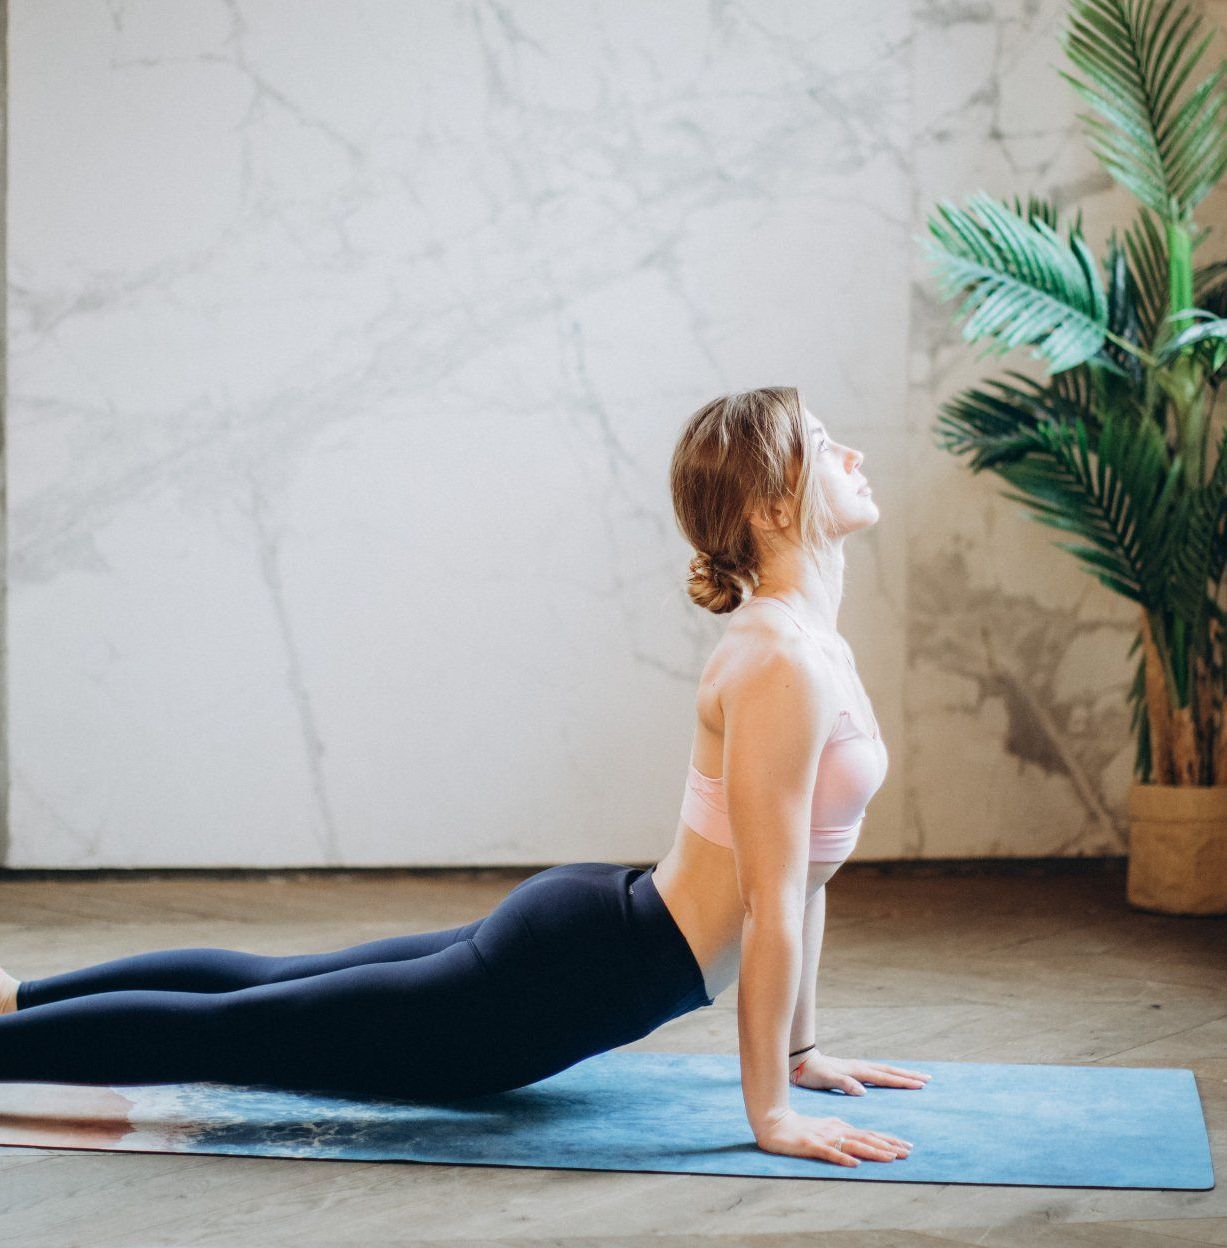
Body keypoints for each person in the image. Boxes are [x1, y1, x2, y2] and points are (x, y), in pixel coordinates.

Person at [0, 385, 922, 1168]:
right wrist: (771, 1116)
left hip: (595, 933)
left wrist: (801, 1052)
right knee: (241, 1030)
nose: (850, 452)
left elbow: (808, 873)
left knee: (268, 987)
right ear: (769, 508)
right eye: (819, 445)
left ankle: (14, 995)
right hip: (568, 979)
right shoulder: (780, 665)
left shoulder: (808, 647)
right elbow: (765, 906)